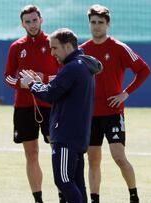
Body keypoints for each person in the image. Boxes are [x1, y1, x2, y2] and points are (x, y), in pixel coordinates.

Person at [20, 28, 102, 203]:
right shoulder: (82, 65)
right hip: (77, 135)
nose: (52, 53)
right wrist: (39, 84)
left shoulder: (72, 68)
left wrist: (32, 84)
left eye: (55, 48)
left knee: (63, 180)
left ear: (67, 46)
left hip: (67, 136)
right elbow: (57, 90)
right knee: (76, 182)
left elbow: (50, 93)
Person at [80, 4, 151, 203]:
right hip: (91, 115)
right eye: (93, 22)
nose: (96, 27)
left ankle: (134, 195)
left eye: (100, 23)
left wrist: (125, 93)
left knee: (119, 157)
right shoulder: (82, 51)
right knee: (93, 160)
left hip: (113, 113)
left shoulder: (118, 47)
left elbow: (144, 70)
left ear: (108, 24)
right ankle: (94, 199)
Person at [4, 5, 60, 202]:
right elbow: (8, 77)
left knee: (58, 149)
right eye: (28, 21)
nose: (32, 25)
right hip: (24, 107)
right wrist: (23, 83)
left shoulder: (54, 43)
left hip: (50, 105)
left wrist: (43, 80)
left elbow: (64, 74)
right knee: (31, 153)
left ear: (41, 20)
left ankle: (63, 193)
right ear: (22, 24)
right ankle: (38, 199)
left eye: (35, 20)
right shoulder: (17, 47)